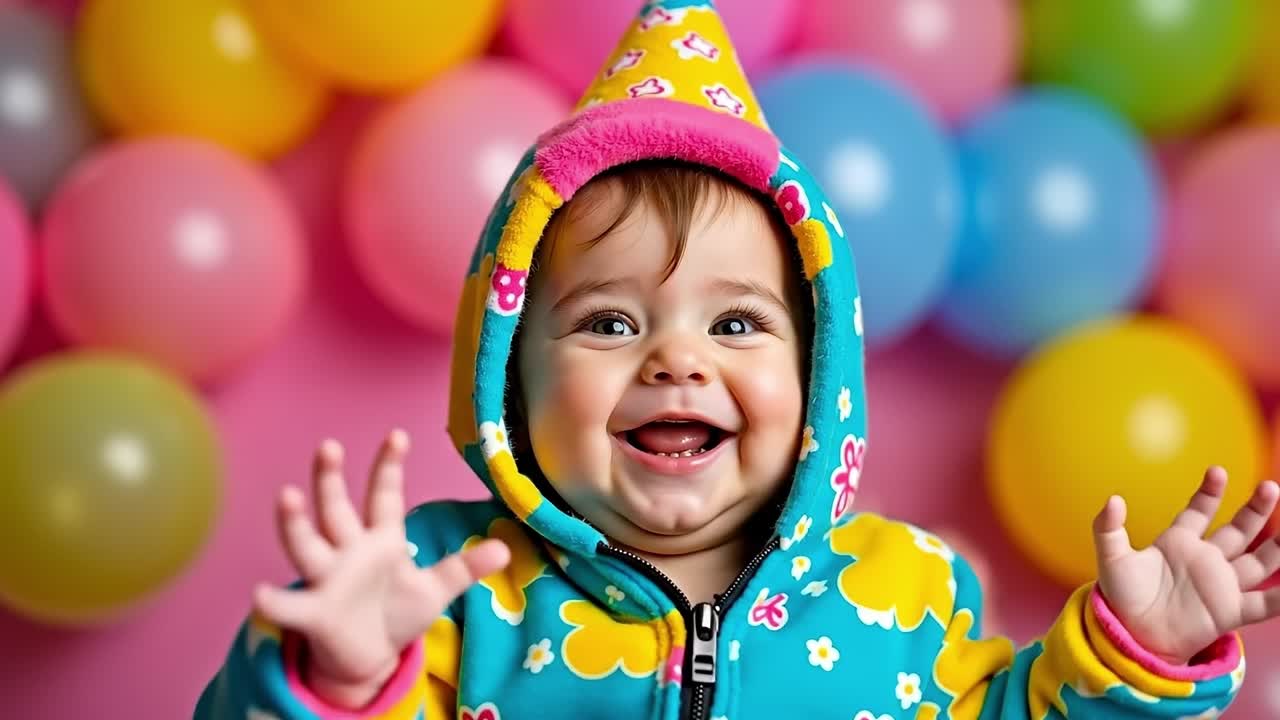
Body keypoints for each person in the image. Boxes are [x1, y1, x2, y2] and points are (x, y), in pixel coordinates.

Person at [197, 2, 1278, 718]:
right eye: (610, 325)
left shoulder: (907, 600)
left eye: (735, 325)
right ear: (505, 381)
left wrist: (1138, 654)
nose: (675, 360)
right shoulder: (443, 598)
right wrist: (333, 677)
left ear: (818, 381)